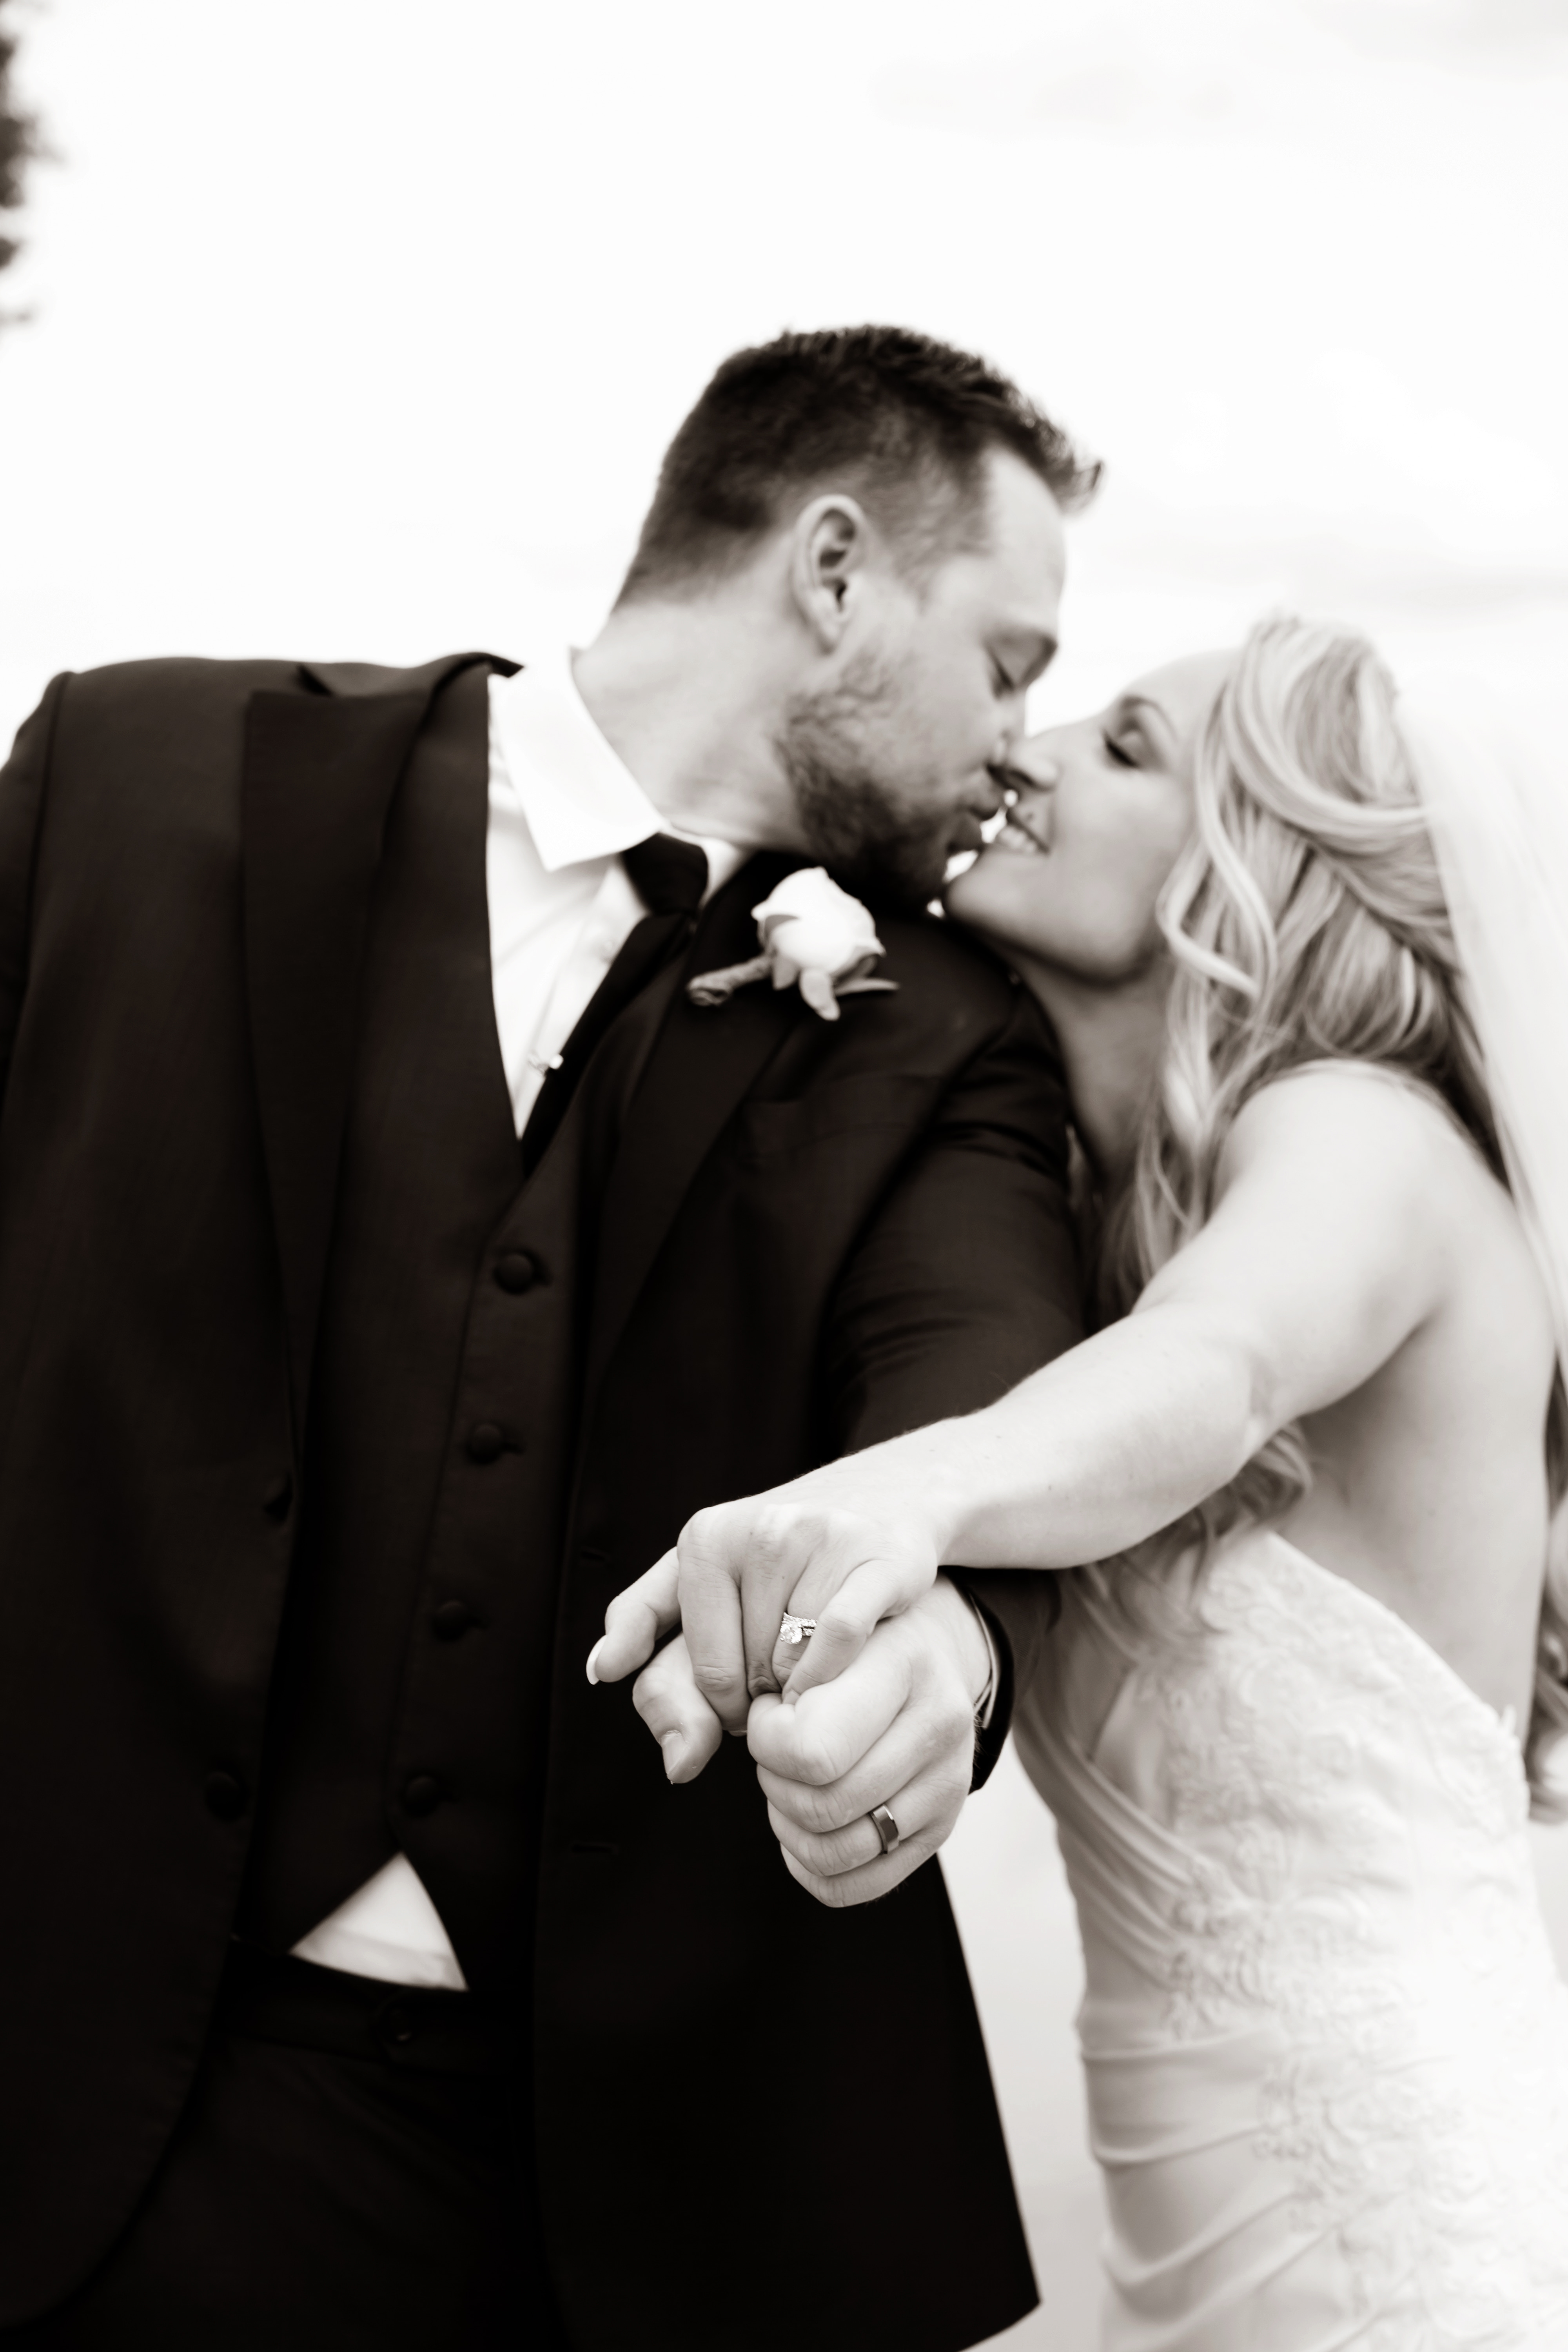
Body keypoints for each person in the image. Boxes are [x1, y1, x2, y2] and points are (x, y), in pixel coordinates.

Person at [0, 327, 1100, 2350]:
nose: (1018, 743)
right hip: (56, 2097)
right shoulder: (133, 776)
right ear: (835, 573)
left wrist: (936, 1650)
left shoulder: (946, 1035)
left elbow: (983, 1368)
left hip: (606, 2213)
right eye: (1007, 662)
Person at [597, 617, 1568, 2342]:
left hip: (1413, 2241)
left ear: (1260, 862)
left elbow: (1224, 1366)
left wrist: (888, 1502)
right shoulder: (1087, 1251)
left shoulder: (1366, 1137)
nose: (1025, 755)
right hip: (1189, 2258)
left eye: (1125, 747)